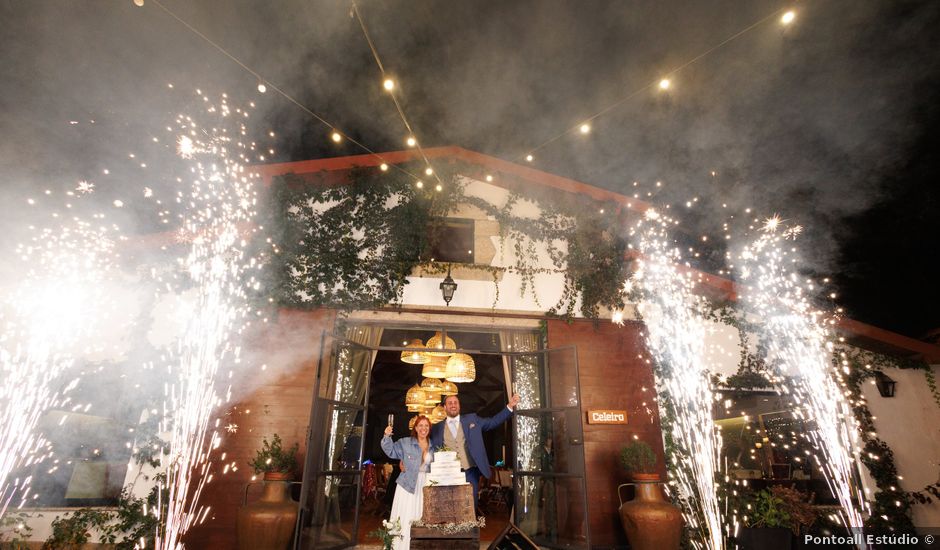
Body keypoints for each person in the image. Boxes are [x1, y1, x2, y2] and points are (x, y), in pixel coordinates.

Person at [430, 393, 520, 510]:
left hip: (470, 472)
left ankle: (470, 528)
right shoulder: (437, 427)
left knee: (470, 506)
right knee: (450, 507)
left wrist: (510, 406)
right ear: (445, 407)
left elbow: (492, 422)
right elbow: (424, 445)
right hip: (448, 474)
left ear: (459, 406)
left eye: (455, 403)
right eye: (450, 403)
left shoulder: (472, 419)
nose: (453, 405)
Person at [381, 415, 432, 550]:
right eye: (420, 425)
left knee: (421, 515)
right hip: (407, 485)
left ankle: (418, 546)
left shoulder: (433, 446)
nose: (423, 428)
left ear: (429, 429)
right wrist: (387, 436)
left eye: (426, 426)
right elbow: (390, 451)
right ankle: (401, 546)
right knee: (406, 515)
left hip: (425, 485)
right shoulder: (405, 442)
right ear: (415, 428)